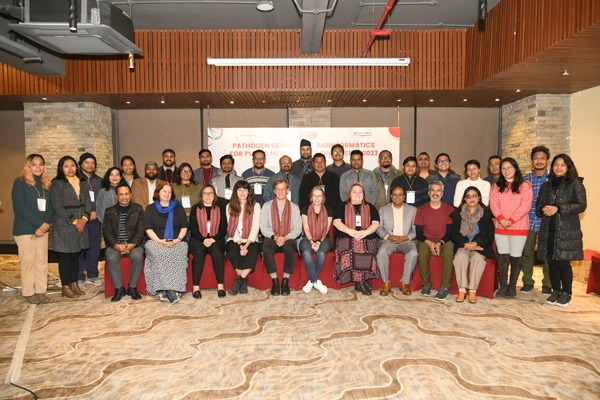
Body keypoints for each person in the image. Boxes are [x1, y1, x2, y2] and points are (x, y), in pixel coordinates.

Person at [536, 154, 587, 307]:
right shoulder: (547, 185)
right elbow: (539, 206)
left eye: (562, 165)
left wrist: (558, 208)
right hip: (548, 229)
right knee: (551, 261)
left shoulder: (575, 184)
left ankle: (566, 292)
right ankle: (556, 290)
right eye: (556, 164)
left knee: (563, 262)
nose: (558, 167)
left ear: (569, 167)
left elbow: (581, 205)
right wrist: (543, 209)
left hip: (566, 230)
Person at [11, 154, 54, 304]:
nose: (38, 167)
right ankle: (29, 292)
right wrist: (40, 224)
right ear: (28, 166)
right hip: (24, 229)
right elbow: (20, 208)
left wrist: (46, 223)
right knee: (28, 261)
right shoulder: (19, 183)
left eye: (41, 164)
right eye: (34, 164)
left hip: (42, 229)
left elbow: (51, 208)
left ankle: (41, 291)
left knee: (42, 261)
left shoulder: (46, 184)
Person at [489, 157, 533, 298]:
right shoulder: (496, 186)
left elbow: (525, 206)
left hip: (519, 227)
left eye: (509, 167)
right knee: (502, 257)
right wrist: (501, 219)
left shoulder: (525, 185)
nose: (506, 171)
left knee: (516, 257)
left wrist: (511, 220)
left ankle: (512, 287)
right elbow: (493, 204)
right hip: (500, 226)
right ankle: (503, 286)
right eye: (503, 168)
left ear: (516, 168)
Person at [50, 155, 92, 298]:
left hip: (81, 223)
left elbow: (88, 203)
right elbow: (57, 206)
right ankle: (65, 286)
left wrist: (84, 219)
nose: (70, 169)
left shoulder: (83, 182)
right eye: (66, 166)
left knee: (75, 256)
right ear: (61, 168)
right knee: (65, 257)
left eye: (72, 165)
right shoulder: (57, 183)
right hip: (65, 226)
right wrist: (75, 221)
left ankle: (74, 283)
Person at [143, 182, 188, 304]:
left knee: (178, 254)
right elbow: (148, 229)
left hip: (177, 240)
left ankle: (171, 289)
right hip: (155, 241)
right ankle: (166, 289)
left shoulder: (178, 207)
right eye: (164, 191)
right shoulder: (150, 209)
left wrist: (177, 240)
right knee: (160, 255)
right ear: (158, 193)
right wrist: (160, 241)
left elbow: (184, 227)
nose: (167, 194)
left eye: (169, 192)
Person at [333, 183, 380, 295]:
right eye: (354, 191)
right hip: (346, 236)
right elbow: (336, 222)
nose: (357, 194)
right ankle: (361, 282)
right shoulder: (341, 206)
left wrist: (365, 232)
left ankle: (360, 282)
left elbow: (376, 223)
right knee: (349, 251)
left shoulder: (371, 207)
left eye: (360, 192)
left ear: (364, 194)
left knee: (367, 251)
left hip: (366, 236)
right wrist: (351, 231)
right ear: (349, 193)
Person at [102, 183, 145, 302]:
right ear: (116, 196)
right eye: (121, 194)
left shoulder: (138, 209)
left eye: (126, 194)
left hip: (134, 243)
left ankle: (132, 287)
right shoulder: (109, 211)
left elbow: (141, 229)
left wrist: (132, 244)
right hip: (115, 244)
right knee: (111, 257)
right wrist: (115, 245)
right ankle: (119, 288)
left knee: (137, 255)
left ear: (131, 195)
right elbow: (106, 231)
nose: (124, 197)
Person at [451, 186, 494, 304]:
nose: (471, 198)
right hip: (463, 245)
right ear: (464, 199)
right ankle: (462, 289)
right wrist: (466, 244)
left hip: (480, 246)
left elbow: (490, 235)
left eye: (474, 195)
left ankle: (472, 291)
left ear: (479, 198)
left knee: (477, 258)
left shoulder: (486, 214)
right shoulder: (457, 214)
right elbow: (454, 233)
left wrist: (476, 243)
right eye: (468, 196)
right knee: (460, 257)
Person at [260, 178, 302, 296]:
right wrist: (275, 237)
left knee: (290, 248)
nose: (280, 191)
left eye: (283, 189)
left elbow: (298, 228)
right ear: (274, 191)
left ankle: (285, 281)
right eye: (278, 189)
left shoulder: (294, 207)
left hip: (288, 237)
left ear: (288, 190)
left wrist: (286, 237)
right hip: (271, 237)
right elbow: (263, 227)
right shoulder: (267, 206)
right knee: (267, 248)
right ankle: (275, 281)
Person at [415, 181, 454, 300]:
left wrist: (439, 243)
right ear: (428, 193)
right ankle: (426, 284)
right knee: (422, 253)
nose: (435, 193)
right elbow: (419, 233)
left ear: (442, 193)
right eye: (433, 190)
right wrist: (430, 243)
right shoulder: (421, 209)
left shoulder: (449, 209)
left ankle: (445, 287)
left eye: (438, 190)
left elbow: (450, 232)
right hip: (426, 239)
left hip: (444, 240)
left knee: (448, 253)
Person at [376, 185, 418, 296]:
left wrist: (406, 237)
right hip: (388, 240)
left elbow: (415, 230)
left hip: (406, 241)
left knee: (413, 253)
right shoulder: (383, 210)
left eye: (400, 195)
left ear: (404, 196)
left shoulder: (413, 210)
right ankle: (386, 282)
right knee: (381, 252)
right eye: (395, 194)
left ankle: (404, 282)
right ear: (391, 196)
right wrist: (388, 237)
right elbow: (378, 228)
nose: (397, 197)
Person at [521, 146, 552, 294]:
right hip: (528, 221)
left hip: (547, 222)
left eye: (542, 158)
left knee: (547, 253)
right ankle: (527, 281)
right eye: (536, 158)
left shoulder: (553, 179)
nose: (539, 161)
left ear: (547, 160)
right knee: (526, 252)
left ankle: (547, 283)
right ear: (531, 160)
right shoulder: (525, 180)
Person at [188, 184, 228, 299]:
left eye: (210, 193)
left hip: (216, 238)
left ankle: (220, 286)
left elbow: (223, 227)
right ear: (201, 195)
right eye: (205, 193)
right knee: (199, 253)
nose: (208, 196)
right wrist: (203, 239)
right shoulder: (195, 208)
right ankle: (195, 287)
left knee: (216, 252)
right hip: (198, 238)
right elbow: (193, 227)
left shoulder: (220, 208)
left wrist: (213, 239)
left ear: (214, 195)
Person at [226, 180, 262, 296]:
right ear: (235, 192)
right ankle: (243, 281)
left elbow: (255, 227)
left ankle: (240, 280)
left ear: (248, 192)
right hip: (234, 238)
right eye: (240, 190)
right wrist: (240, 244)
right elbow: (231, 227)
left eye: (245, 190)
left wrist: (246, 244)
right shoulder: (229, 206)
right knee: (232, 251)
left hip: (251, 239)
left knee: (253, 252)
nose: (242, 192)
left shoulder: (255, 205)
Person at [299, 186, 333, 294]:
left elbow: (326, 229)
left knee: (321, 253)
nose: (317, 199)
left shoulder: (329, 210)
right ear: (311, 197)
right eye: (315, 196)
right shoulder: (305, 209)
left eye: (319, 196)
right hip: (307, 238)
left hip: (324, 239)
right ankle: (315, 281)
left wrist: (319, 242)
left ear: (323, 197)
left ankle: (311, 282)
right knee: (306, 252)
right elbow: (306, 228)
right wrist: (311, 241)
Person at [78, 152, 103, 286]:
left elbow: (101, 199)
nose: (90, 165)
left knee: (94, 247)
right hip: (81, 219)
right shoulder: (76, 179)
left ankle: (92, 274)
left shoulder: (98, 180)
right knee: (81, 247)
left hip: (95, 218)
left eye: (92, 162)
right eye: (87, 162)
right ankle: (79, 275)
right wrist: (84, 215)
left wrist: (96, 212)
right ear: (81, 164)